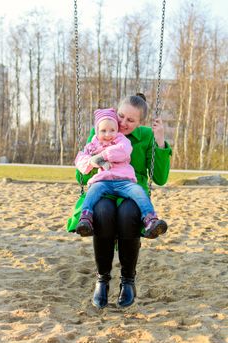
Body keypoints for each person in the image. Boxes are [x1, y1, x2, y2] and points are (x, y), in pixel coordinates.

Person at [67, 93, 172, 309]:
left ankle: (128, 280)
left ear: (140, 122)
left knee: (128, 214)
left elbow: (160, 178)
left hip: (131, 189)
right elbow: (82, 176)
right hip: (103, 188)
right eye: (121, 116)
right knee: (103, 212)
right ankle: (102, 279)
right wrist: (92, 161)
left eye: (131, 121)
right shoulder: (101, 130)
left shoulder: (146, 135)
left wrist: (160, 140)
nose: (123, 123)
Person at [74, 108, 167, 240]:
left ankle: (150, 220)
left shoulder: (121, 140)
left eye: (112, 130)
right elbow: (80, 160)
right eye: (103, 131)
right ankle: (85, 218)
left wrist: (102, 156)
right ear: (97, 130)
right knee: (93, 191)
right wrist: (91, 162)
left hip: (124, 181)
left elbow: (123, 151)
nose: (108, 134)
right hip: (103, 181)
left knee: (139, 192)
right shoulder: (93, 144)